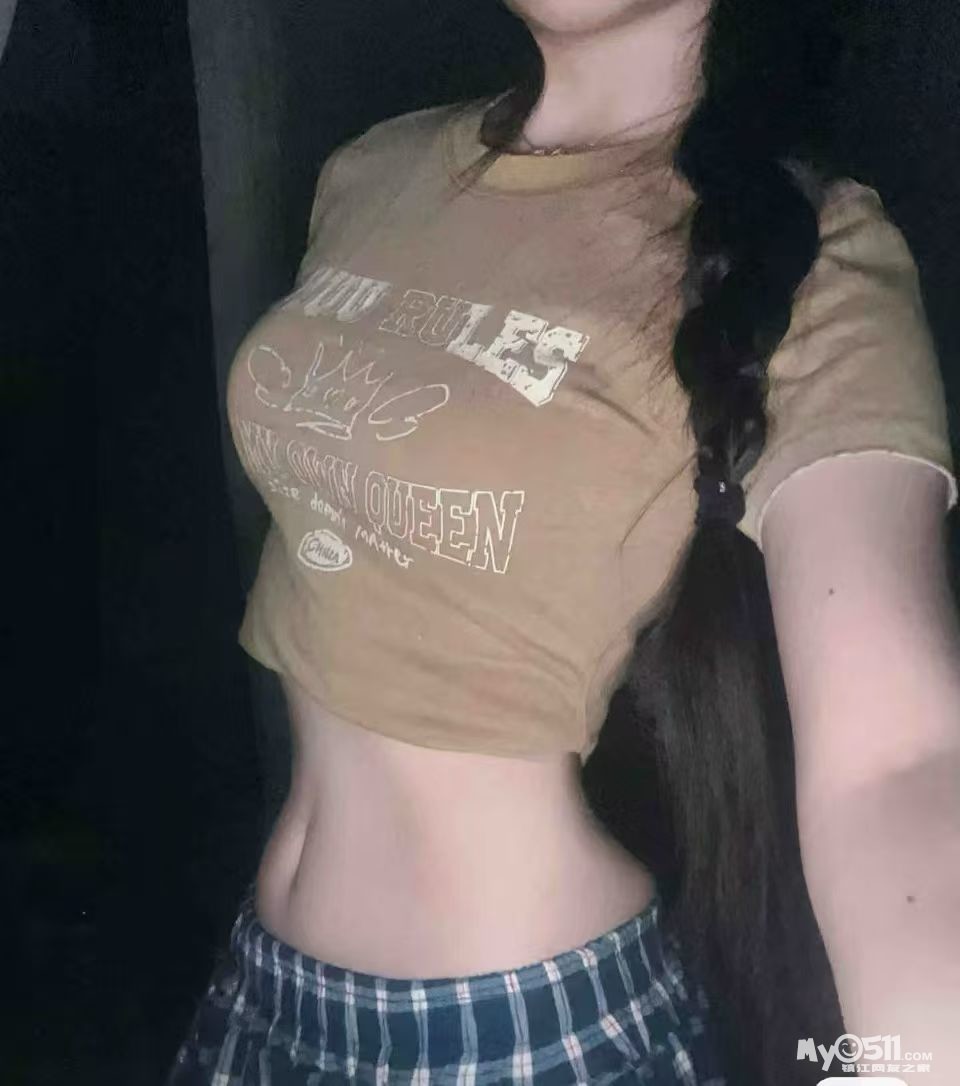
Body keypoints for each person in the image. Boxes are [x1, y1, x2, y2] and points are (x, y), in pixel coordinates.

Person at [168, 0, 960, 1082]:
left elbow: (897, 765)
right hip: (263, 980)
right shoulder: (376, 167)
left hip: (520, 1028)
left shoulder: (812, 253)